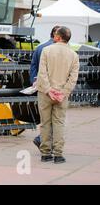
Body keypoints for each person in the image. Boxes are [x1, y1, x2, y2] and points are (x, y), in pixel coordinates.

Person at [36, 26, 79, 164]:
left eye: (55, 34)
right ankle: (58, 154)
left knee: (45, 123)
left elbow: (42, 73)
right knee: (59, 123)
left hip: (45, 93)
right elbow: (73, 78)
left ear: (58, 37)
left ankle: (45, 153)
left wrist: (49, 90)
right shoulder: (74, 55)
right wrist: (63, 93)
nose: (54, 35)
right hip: (62, 94)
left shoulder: (46, 51)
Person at [29, 25, 60, 149]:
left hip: (42, 87)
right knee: (56, 118)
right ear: (57, 35)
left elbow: (33, 66)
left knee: (46, 117)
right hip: (55, 87)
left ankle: (43, 140)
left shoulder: (40, 47)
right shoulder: (58, 49)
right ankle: (42, 140)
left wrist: (34, 81)